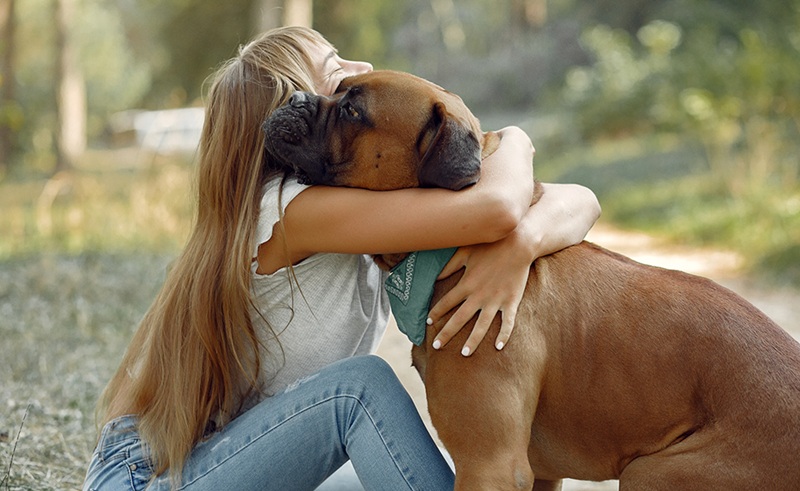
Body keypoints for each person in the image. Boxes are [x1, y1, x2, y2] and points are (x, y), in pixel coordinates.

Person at [83, 26, 601, 491]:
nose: (365, 72)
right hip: (144, 478)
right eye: (337, 78)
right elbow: (498, 205)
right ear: (294, 112)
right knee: (362, 391)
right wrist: (516, 139)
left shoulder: (366, 200)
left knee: (438, 459)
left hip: (229, 461)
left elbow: (580, 200)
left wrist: (524, 242)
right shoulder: (291, 212)